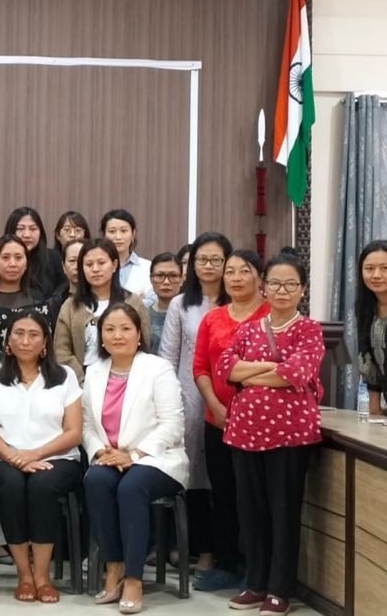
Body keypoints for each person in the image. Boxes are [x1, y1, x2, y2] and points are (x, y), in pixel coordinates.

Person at [218, 250, 325, 616]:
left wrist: (253, 373)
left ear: (302, 289)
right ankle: (256, 583)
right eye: (275, 283)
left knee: (283, 511)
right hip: (244, 431)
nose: (282, 290)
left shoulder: (309, 330)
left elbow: (296, 373)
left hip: (290, 435)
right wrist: (271, 366)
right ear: (264, 287)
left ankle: (280, 589)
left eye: (290, 284)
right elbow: (227, 369)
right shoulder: (248, 329)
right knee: (251, 512)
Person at [82, 303, 188, 614]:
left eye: (125, 329)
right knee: (96, 481)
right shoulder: (94, 373)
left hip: (157, 459)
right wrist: (100, 451)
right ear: (101, 337)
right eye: (110, 329)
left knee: (131, 487)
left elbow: (173, 424)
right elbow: (87, 424)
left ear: (139, 334)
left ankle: (134, 579)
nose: (118, 335)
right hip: (111, 456)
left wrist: (134, 454)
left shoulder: (157, 369)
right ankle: (113, 567)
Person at [0, 310, 83, 604]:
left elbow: (73, 432)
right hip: (3, 458)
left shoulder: (65, 377)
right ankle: (24, 575)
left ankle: (43, 577)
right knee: (11, 487)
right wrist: (15, 458)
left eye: (34, 334)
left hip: (58, 458)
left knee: (41, 486)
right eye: (18, 334)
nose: (25, 340)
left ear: (46, 343)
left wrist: (33, 454)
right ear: (8, 342)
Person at [191, 249, 269, 591]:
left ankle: (257, 567)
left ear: (260, 278)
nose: (236, 277)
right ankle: (225, 564)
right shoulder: (213, 318)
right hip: (217, 419)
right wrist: (216, 407)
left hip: (261, 424)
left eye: (244, 271)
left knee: (255, 496)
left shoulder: (271, 315)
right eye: (230, 271)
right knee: (222, 493)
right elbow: (200, 368)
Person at [158, 232, 232, 584]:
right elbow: (167, 358)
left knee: (226, 479)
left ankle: (228, 551)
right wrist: (168, 403)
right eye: (202, 259)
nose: (208, 266)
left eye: (216, 260)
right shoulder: (180, 304)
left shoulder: (238, 302)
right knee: (193, 477)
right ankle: (198, 549)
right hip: (187, 399)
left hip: (231, 402)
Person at [54, 238, 150, 382]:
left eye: (101, 263)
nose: (95, 269)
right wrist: (81, 380)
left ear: (114, 265)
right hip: (82, 381)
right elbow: (62, 351)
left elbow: (144, 343)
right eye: (89, 264)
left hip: (126, 380)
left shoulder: (133, 302)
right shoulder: (71, 306)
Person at [0, 235, 50, 374]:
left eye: (18, 257)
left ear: (26, 264)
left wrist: (27, 372)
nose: (12, 263)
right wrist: (13, 373)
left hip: (34, 376)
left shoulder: (38, 300)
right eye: (5, 257)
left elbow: (44, 342)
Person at [4, 206, 66, 298]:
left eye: (33, 229)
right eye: (20, 229)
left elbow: (63, 290)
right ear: (11, 231)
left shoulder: (54, 257)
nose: (27, 235)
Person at [357, 239, 387, 414]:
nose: (376, 275)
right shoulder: (365, 308)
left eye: (385, 268)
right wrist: (373, 412)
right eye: (369, 268)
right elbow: (369, 364)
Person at [100, 209, 153, 301]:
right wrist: (137, 300)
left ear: (133, 234)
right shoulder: (96, 266)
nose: (118, 237)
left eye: (124, 231)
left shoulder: (148, 267)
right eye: (112, 231)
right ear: (104, 235)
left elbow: (152, 301)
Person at [146, 252, 183, 354]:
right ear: (151, 279)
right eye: (159, 275)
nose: (166, 282)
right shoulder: (142, 314)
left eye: (173, 275)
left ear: (182, 279)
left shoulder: (189, 314)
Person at [47, 238, 84, 323]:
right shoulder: (53, 304)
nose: (77, 267)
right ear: (63, 266)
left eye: (82, 260)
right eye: (72, 261)